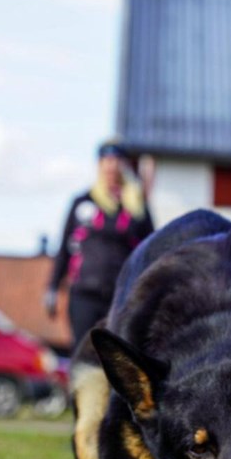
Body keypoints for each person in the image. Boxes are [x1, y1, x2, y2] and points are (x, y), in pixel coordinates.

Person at [44, 139, 154, 349]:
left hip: (121, 297)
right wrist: (53, 287)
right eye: (106, 160)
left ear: (124, 165)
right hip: (84, 294)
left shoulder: (137, 207)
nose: (111, 166)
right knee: (83, 353)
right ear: (99, 165)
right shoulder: (83, 202)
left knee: (117, 355)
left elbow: (151, 250)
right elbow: (65, 249)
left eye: (117, 160)